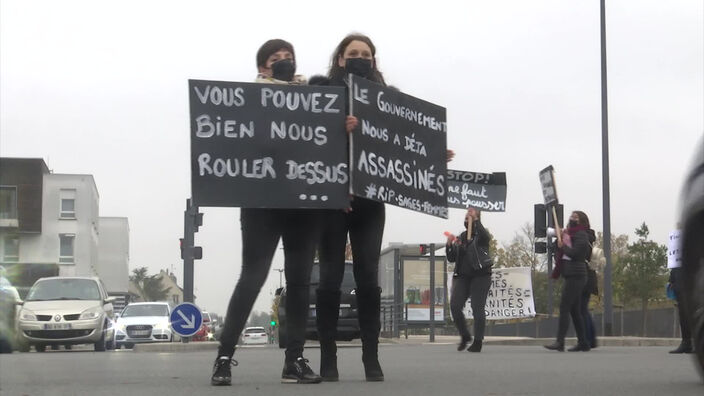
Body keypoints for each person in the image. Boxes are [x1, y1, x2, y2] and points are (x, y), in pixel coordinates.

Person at [211, 39, 322, 386]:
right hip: (261, 203)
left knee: (301, 282)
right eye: (277, 60)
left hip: (302, 201)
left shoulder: (313, 102)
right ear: (262, 69)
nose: (285, 63)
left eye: (289, 58)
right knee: (252, 278)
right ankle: (224, 357)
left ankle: (295, 359)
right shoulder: (249, 102)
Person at [311, 33, 387, 383]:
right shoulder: (322, 93)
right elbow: (305, 139)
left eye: (365, 54)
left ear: (373, 61)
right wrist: (337, 128)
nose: (359, 57)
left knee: (368, 281)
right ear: (340, 59)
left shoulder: (389, 100)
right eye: (352, 53)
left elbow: (402, 145)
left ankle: (371, 357)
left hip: (369, 203)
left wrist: (433, 153)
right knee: (328, 281)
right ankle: (329, 358)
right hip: (331, 201)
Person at [446, 207, 493, 353]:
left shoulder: (481, 236)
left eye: (470, 215)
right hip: (463, 277)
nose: (467, 217)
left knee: (477, 307)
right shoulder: (461, 237)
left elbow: (485, 236)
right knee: (454, 305)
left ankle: (478, 341)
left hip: (481, 275)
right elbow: (452, 257)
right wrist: (449, 245)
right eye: (466, 216)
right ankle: (465, 335)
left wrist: (476, 219)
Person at [545, 210, 592, 352]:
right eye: (572, 216)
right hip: (571, 274)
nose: (572, 218)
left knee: (564, 307)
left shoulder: (581, 234)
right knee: (574, 310)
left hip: (577, 275)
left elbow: (577, 254)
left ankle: (560, 342)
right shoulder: (569, 234)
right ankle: (583, 342)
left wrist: (562, 246)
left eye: (576, 217)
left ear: (582, 221)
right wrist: (559, 243)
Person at [668, 226, 693, 354]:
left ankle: (691, 342)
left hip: (695, 278)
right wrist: (671, 279)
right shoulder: (677, 239)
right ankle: (687, 342)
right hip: (680, 278)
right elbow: (674, 260)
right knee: (684, 312)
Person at [581, 221, 599, 349]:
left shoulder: (581, 238)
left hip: (583, 276)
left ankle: (588, 338)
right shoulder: (588, 238)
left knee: (581, 309)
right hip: (589, 276)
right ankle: (591, 338)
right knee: (583, 309)